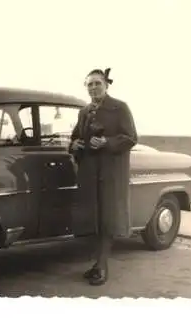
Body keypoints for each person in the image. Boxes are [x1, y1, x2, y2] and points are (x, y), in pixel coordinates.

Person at [69, 68, 138, 286]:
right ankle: (97, 264)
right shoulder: (84, 111)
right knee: (93, 219)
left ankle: (102, 266)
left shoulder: (120, 107)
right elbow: (75, 137)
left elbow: (131, 138)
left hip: (110, 173)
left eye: (97, 83)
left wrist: (107, 142)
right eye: (89, 84)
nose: (93, 88)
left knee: (107, 219)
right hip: (89, 172)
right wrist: (74, 145)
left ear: (106, 85)